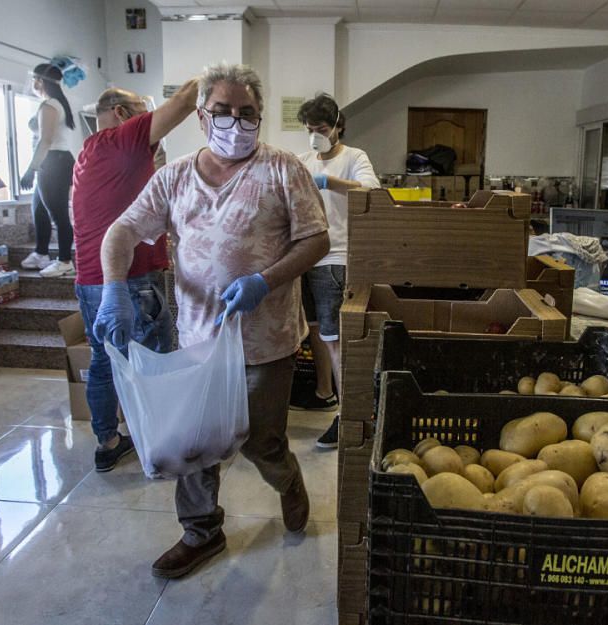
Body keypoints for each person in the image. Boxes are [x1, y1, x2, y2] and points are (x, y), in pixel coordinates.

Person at [94, 62, 329, 579]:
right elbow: (122, 232)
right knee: (196, 444)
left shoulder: (283, 169)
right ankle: (201, 532)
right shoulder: (175, 176)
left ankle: (287, 480)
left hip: (266, 342)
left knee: (261, 443)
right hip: (200, 339)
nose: (235, 122)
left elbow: (317, 240)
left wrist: (264, 281)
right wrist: (114, 292)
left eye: (248, 113)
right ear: (201, 117)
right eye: (223, 112)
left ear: (260, 117)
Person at [71, 80, 199, 472]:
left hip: (91, 279)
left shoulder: (89, 152)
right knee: (153, 359)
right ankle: (159, 446)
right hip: (132, 277)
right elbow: (183, 102)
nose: (149, 120)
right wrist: (217, 75)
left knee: (103, 359)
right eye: (143, 111)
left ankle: (108, 443)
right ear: (124, 115)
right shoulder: (120, 138)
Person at [294, 93, 380, 449]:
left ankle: (350, 419)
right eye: (310, 129)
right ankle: (325, 392)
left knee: (337, 343)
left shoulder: (353, 157)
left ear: (338, 126)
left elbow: (372, 192)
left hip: (336, 260)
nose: (316, 135)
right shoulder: (302, 160)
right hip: (304, 258)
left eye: (322, 128)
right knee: (315, 333)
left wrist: (329, 182)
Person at [19, 63, 76, 278]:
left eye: (34, 79)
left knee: (58, 214)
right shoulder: (55, 103)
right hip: (55, 160)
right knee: (39, 209)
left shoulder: (50, 105)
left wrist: (31, 169)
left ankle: (64, 261)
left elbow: (46, 140)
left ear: (40, 81)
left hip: (53, 161)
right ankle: (41, 253)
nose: (33, 83)